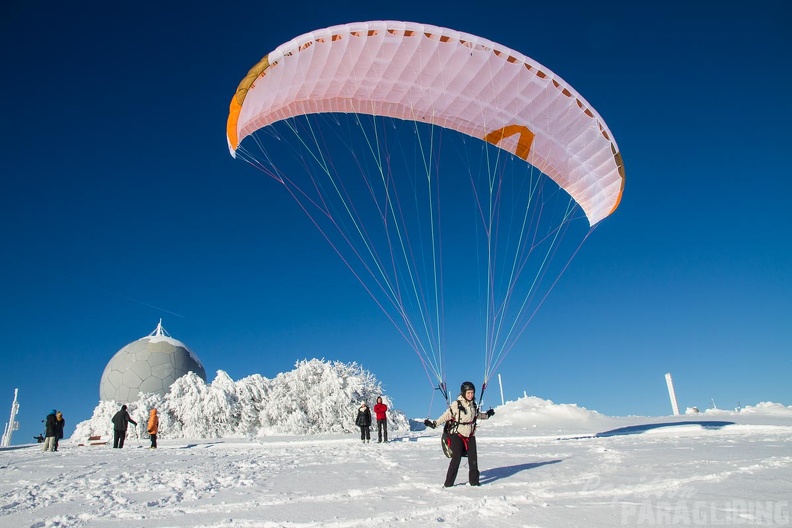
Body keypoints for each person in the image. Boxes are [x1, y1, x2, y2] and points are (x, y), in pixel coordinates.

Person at [424, 381, 494, 487]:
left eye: (472, 393)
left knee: (473, 459)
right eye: (468, 393)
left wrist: (487, 415)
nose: (471, 395)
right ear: (463, 393)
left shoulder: (473, 405)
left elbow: (476, 415)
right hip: (458, 434)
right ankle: (448, 483)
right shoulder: (456, 404)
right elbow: (446, 415)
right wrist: (434, 424)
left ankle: (474, 482)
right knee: (456, 458)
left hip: (470, 435)